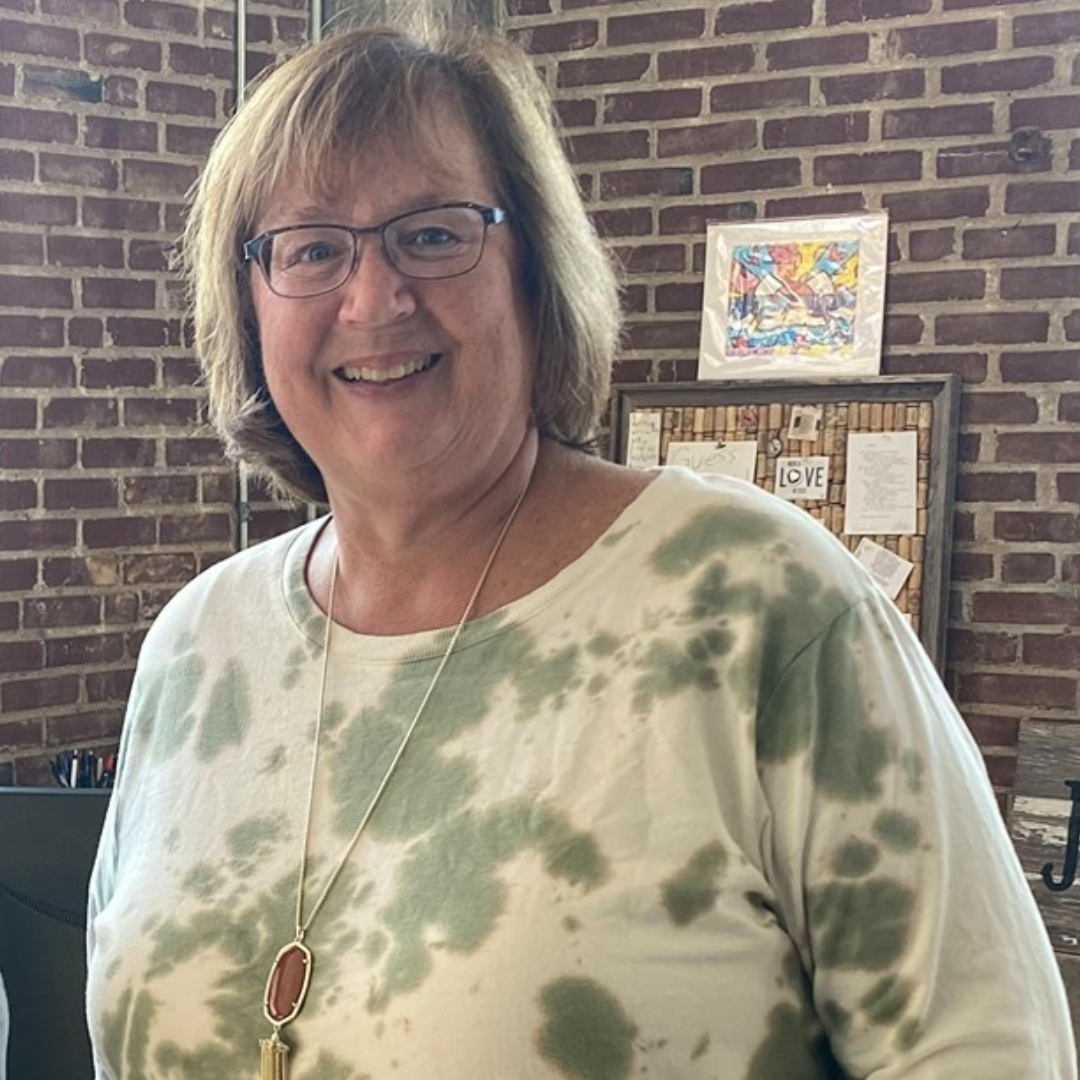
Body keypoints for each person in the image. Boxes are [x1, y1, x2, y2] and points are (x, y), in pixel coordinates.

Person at [86, 23, 1076, 1080]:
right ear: (249, 302)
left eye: (432, 234)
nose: (373, 300)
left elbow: (986, 1052)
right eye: (311, 247)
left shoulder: (757, 607)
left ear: (534, 271)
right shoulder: (197, 649)